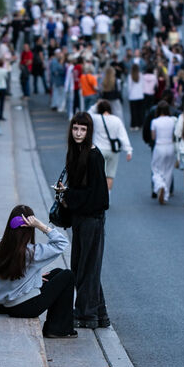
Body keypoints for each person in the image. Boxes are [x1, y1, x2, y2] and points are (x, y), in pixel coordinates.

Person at [0, 205, 76, 338]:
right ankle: (57, 328)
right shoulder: (32, 252)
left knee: (57, 272)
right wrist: (41, 225)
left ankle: (1, 305)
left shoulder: (1, 246)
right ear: (30, 229)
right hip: (25, 308)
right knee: (67, 276)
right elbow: (62, 243)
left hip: (5, 303)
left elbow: (3, 276)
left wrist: (34, 277)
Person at [61, 113, 111, 328]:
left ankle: (85, 315)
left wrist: (70, 197)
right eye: (75, 129)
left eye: (83, 129)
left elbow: (100, 197)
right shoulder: (76, 153)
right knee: (84, 266)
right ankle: (99, 314)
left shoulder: (93, 156)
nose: (79, 133)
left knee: (86, 268)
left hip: (92, 219)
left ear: (89, 132)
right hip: (80, 218)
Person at [89, 100, 133, 191]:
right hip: (113, 151)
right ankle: (108, 196)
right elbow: (123, 135)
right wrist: (128, 150)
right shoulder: (116, 120)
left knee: (99, 175)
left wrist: (95, 105)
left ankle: (100, 197)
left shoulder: (96, 118)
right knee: (110, 175)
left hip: (99, 150)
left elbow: (87, 114)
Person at [150, 101, 177, 204]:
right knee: (169, 170)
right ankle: (165, 195)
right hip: (170, 146)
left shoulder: (155, 122)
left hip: (159, 146)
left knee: (156, 169)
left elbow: (153, 137)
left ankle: (160, 185)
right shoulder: (172, 121)